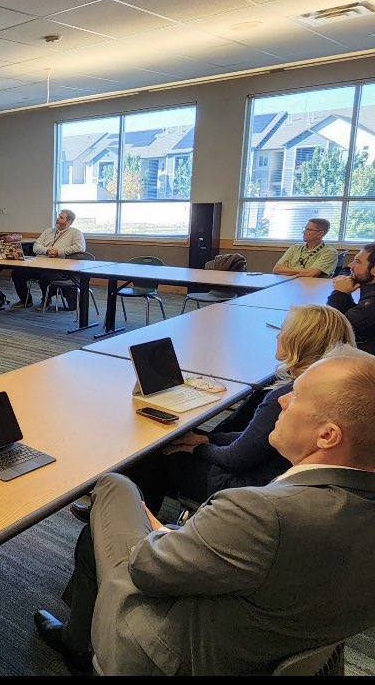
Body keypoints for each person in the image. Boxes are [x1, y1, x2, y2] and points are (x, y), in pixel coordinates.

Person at [34, 346, 375, 676]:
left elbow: (145, 569)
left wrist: (161, 534)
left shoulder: (261, 513)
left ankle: (76, 642)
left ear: (328, 435)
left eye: (297, 396)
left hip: (168, 656)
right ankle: (78, 632)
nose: (283, 399)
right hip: (263, 641)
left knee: (113, 486)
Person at [114, 304, 356, 516]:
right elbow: (254, 440)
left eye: (284, 330)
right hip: (271, 478)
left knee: (152, 453)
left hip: (245, 487)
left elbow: (236, 458)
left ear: (299, 341)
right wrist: (207, 437)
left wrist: (200, 447)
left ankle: (130, 520)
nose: (278, 336)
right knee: (177, 440)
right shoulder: (329, 389)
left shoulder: (287, 397)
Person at [10, 209, 85, 310]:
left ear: (69, 222)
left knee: (45, 275)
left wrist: (59, 251)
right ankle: (26, 301)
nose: (57, 219)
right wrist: (47, 251)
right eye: (58, 216)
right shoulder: (48, 231)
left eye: (61, 217)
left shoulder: (75, 232)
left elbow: (80, 248)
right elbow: (36, 246)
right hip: (39, 264)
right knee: (17, 273)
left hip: (59, 268)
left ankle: (45, 301)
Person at [328, 242, 375, 355]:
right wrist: (345, 292)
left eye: (357, 262)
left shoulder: (372, 304)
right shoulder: (369, 287)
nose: (351, 265)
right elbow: (352, 316)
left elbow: (331, 327)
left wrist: (339, 293)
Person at [271, 217, 338, 277]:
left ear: (320, 234)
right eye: (305, 229)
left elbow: (312, 274)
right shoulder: (294, 248)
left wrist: (287, 270)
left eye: (309, 230)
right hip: (291, 284)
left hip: (313, 287)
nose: (304, 232)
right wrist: (305, 271)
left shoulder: (329, 252)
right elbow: (276, 269)